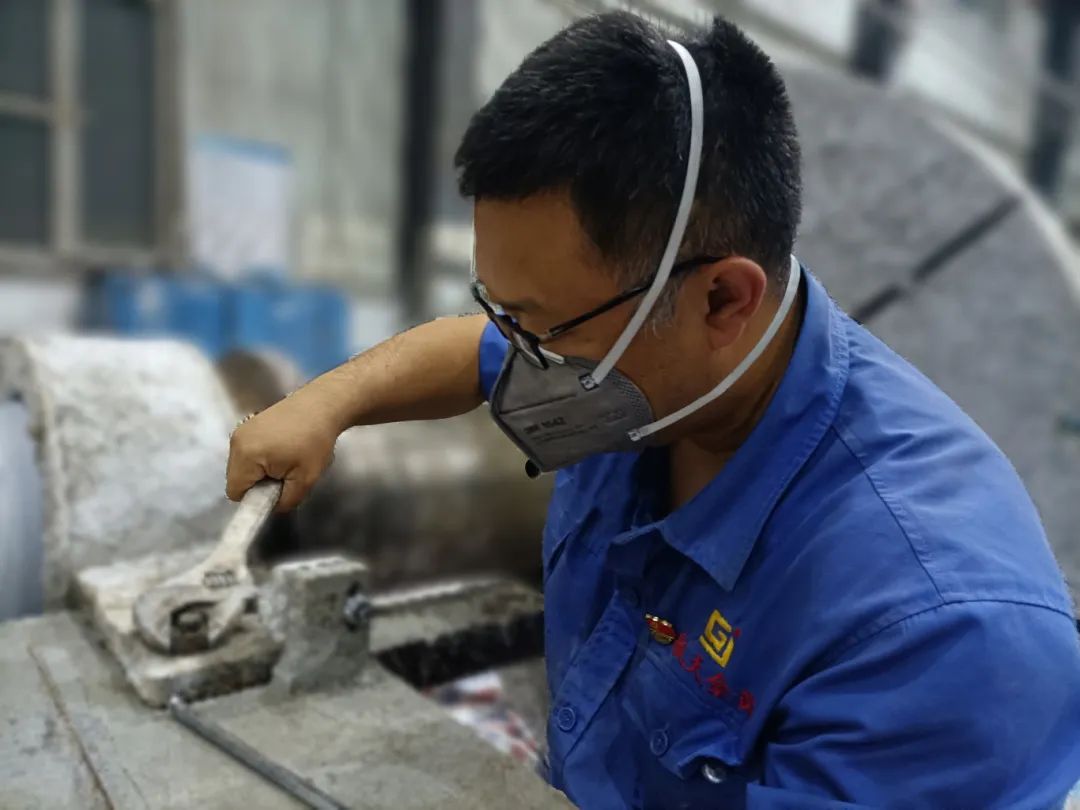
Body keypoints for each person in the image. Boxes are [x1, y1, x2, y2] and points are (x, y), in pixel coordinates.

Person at [226, 12, 1080, 809]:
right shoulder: (652, 377)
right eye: (505, 313)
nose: (520, 354)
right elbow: (469, 350)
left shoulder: (934, 637)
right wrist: (322, 404)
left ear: (723, 300)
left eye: (541, 324)